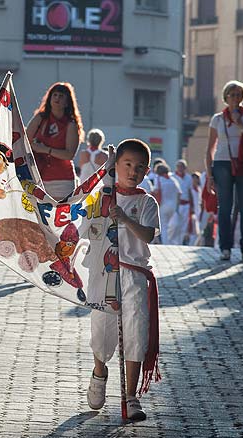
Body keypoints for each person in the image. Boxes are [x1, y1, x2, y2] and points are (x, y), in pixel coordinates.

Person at [86, 139, 160, 422]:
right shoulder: (102, 195)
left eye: (139, 167)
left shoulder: (146, 202)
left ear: (147, 171)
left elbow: (149, 235)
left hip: (134, 275)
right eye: (127, 164)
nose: (132, 171)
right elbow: (85, 228)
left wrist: (126, 220)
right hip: (104, 272)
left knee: (135, 332)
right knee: (101, 328)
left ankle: (131, 395)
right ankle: (99, 371)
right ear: (115, 166)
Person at [205, 80, 243, 261]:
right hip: (222, 163)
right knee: (225, 207)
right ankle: (225, 248)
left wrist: (239, 122)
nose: (236, 98)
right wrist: (209, 174)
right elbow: (210, 148)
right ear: (226, 97)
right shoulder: (217, 118)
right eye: (232, 95)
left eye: (239, 94)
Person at [26, 82, 83, 201]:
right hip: (37, 177)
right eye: (55, 95)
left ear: (67, 102)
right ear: (49, 98)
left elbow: (69, 154)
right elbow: (25, 141)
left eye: (61, 96)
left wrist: (44, 149)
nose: (57, 98)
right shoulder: (40, 118)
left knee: (59, 217)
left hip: (62, 180)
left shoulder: (71, 124)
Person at [167, 159, 194, 245]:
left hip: (186, 204)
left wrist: (192, 205)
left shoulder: (188, 177)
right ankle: (169, 241)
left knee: (184, 225)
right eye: (178, 166)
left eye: (182, 166)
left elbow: (190, 191)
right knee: (174, 224)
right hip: (175, 204)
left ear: (185, 168)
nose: (180, 168)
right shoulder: (172, 176)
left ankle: (180, 242)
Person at [153, 162, 180, 244]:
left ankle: (165, 243)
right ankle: (170, 242)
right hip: (173, 206)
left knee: (163, 226)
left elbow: (156, 190)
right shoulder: (173, 180)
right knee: (171, 225)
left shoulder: (158, 179)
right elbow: (179, 193)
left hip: (162, 205)